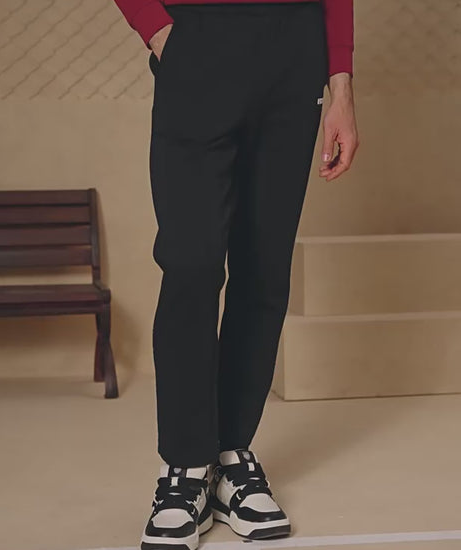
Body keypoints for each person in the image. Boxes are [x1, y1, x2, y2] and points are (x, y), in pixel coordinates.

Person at [112, 0, 359, 548]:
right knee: (191, 263)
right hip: (198, 38)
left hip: (295, 48)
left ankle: (230, 456)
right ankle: (184, 466)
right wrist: (160, 31)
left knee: (264, 269)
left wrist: (340, 81)